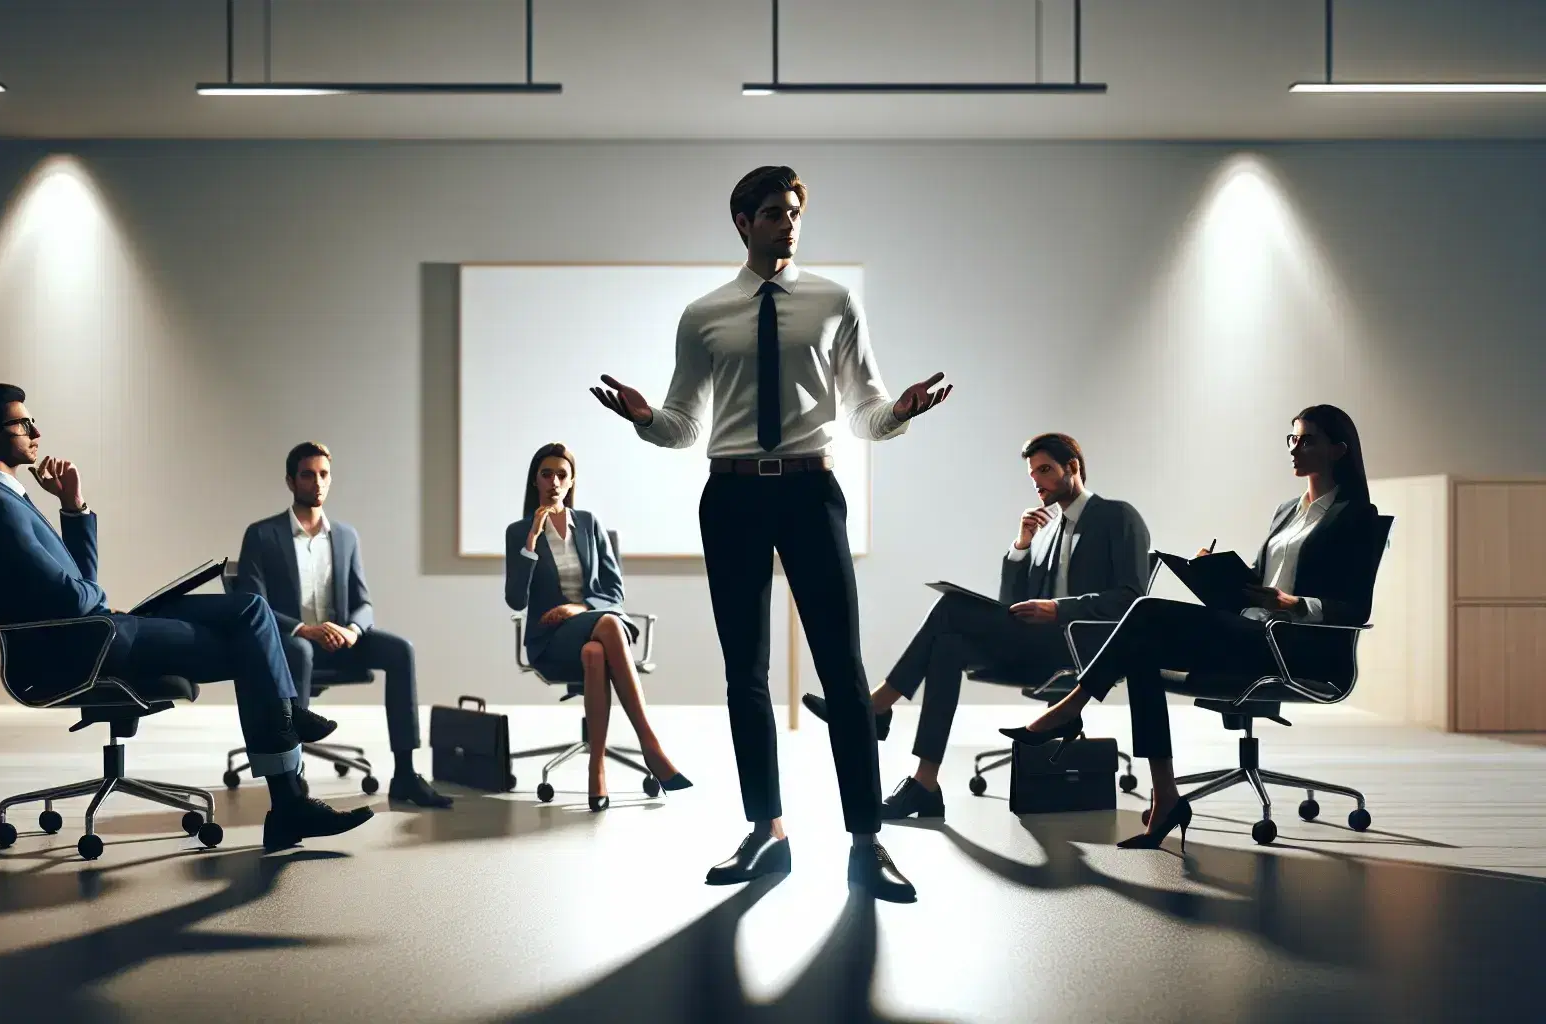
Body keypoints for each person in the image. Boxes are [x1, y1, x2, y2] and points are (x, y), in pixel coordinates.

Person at [591, 166, 949, 902]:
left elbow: (863, 412)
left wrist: (903, 409)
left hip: (812, 492)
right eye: (773, 214)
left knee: (844, 675)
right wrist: (643, 419)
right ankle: (767, 833)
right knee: (744, 674)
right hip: (731, 498)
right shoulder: (704, 315)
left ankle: (866, 841)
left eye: (794, 212)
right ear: (742, 222)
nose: (788, 224)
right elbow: (687, 424)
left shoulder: (833, 301)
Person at [0, 383, 372, 853]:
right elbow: (77, 599)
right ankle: (289, 785)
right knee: (249, 640)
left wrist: (73, 507)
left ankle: (289, 758)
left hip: (100, 631)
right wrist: (99, 601)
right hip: (90, 647)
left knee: (250, 609)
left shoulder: (5, 497)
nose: (36, 430)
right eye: (23, 423)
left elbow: (79, 581)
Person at [1003, 405, 1385, 850]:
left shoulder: (1356, 515)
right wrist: (1216, 573)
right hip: (1251, 633)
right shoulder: (1287, 510)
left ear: (1338, 450)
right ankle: (1166, 797)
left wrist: (1296, 604)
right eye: (1292, 439)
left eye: (1307, 440)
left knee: (1145, 611)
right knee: (1141, 649)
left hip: (1295, 647)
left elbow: (1355, 607)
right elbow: (1260, 581)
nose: (1295, 448)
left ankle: (1071, 708)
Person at [802, 432, 1150, 819]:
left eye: (1046, 470)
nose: (1037, 481)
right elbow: (1011, 606)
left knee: (950, 607)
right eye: (1033, 474)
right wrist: (1020, 546)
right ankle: (925, 783)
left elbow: (1132, 598)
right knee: (948, 645)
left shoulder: (1117, 516)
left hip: (1084, 651)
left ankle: (876, 705)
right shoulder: (1047, 531)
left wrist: (1058, 609)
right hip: (1035, 647)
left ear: (1073, 468)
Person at [235, 442, 452, 809]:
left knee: (401, 651)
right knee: (301, 650)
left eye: (324, 474)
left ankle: (405, 774)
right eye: (308, 474)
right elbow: (253, 604)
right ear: (291, 481)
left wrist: (352, 629)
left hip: (340, 641)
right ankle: (292, 783)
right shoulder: (261, 535)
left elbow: (363, 602)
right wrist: (304, 629)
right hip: (289, 645)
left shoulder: (346, 536)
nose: (317, 482)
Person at [504, 442, 691, 811]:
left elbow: (614, 591)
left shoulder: (589, 524)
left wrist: (577, 609)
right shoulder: (518, 532)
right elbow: (515, 601)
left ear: (571, 481)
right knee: (606, 626)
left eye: (562, 474)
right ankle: (651, 747)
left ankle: (596, 767)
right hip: (550, 642)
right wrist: (531, 541)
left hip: (596, 631)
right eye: (546, 474)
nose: (554, 481)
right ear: (535, 480)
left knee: (595, 648)